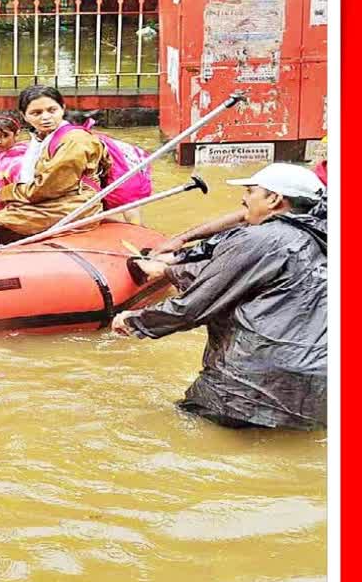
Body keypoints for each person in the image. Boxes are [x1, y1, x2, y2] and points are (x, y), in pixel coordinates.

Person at [112, 164, 327, 430]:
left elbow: (195, 305)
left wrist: (135, 320)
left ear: (273, 199)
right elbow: (233, 274)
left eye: (250, 191)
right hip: (318, 390)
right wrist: (173, 265)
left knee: (179, 430)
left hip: (248, 388)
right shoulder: (323, 239)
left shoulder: (261, 239)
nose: (244, 199)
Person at [0, 85, 107, 246]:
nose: (45, 117)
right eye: (36, 113)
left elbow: (47, 188)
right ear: (24, 116)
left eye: (52, 110)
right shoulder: (42, 138)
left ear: (62, 108)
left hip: (66, 208)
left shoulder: (75, 140)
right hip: (47, 203)